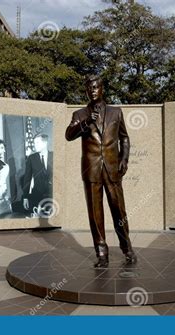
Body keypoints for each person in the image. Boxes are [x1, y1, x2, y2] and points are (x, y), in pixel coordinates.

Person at [65, 75, 136, 268]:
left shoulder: (116, 112)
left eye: (96, 87)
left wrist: (124, 159)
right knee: (95, 214)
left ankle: (127, 247)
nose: (93, 91)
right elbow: (68, 135)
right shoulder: (80, 114)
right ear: (86, 91)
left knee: (119, 210)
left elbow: (125, 139)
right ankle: (101, 253)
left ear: (102, 89)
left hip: (113, 169)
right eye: (89, 88)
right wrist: (86, 122)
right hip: (91, 169)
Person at [23, 133, 53, 217]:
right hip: (37, 196)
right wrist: (25, 197)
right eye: (34, 143)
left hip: (53, 196)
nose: (35, 146)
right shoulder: (31, 158)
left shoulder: (54, 156)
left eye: (37, 143)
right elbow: (27, 179)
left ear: (45, 143)